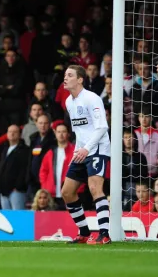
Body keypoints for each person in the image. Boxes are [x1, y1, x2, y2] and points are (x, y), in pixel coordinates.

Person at [61, 65, 111, 245]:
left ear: (80, 79)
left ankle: (104, 234)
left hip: (97, 147)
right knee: (67, 192)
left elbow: (102, 127)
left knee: (94, 187)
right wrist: (78, 150)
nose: (65, 78)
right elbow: (79, 131)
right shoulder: (69, 102)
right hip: (82, 149)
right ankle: (83, 233)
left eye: (69, 75)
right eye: (65, 75)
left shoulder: (92, 98)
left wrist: (86, 149)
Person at [39, 122, 75, 209]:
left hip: (70, 193)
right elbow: (43, 171)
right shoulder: (50, 153)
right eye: (58, 132)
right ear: (55, 134)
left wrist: (78, 188)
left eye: (63, 132)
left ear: (68, 134)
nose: (61, 134)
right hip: (52, 195)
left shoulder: (75, 151)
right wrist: (45, 186)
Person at [0, 125, 29, 210]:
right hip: (4, 190)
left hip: (16, 191)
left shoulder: (24, 150)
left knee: (18, 218)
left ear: (20, 135)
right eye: (10, 132)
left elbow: (24, 170)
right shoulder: (5, 149)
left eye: (15, 132)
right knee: (6, 218)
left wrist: (18, 186)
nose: (12, 134)